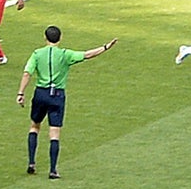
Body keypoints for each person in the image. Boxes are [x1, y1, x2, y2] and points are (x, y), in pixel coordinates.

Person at [16, 25, 116, 178]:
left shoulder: (37, 54)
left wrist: (21, 93)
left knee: (35, 126)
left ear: (45, 38)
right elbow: (87, 55)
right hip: (57, 96)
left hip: (40, 94)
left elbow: (27, 73)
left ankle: (31, 163)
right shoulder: (65, 54)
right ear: (60, 38)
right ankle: (53, 170)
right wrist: (105, 47)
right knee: (54, 132)